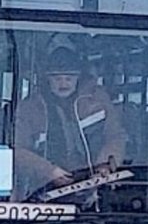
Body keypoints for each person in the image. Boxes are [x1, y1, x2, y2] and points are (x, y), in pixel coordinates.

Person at [13, 42, 127, 194]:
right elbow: (17, 149)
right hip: (41, 189)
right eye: (57, 78)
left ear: (78, 78)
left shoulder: (98, 100)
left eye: (69, 78)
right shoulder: (30, 107)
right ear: (47, 79)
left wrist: (105, 165)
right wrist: (48, 172)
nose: (63, 84)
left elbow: (115, 136)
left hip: (95, 186)